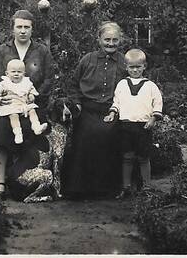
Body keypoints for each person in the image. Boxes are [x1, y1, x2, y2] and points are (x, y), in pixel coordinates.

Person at [0, 9, 55, 199]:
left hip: (32, 106)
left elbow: (49, 78)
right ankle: (0, 181)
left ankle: (21, 179)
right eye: (19, 27)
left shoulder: (42, 51)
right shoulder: (1, 51)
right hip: (7, 107)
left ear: (32, 30)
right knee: (0, 127)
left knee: (34, 130)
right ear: (13, 29)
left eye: (27, 27)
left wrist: (36, 97)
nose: (23, 31)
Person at [62, 21, 127, 198]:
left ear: (120, 40)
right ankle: (81, 188)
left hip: (113, 109)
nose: (111, 43)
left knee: (108, 134)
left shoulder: (124, 61)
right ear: (99, 39)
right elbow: (74, 85)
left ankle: (107, 189)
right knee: (85, 135)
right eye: (107, 39)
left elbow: (132, 87)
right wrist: (77, 104)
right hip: (87, 108)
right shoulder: (88, 59)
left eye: (115, 40)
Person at [104, 48, 163, 198]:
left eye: (138, 67)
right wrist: (112, 113)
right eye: (132, 67)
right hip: (125, 126)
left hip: (143, 126)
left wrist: (153, 118)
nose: (135, 70)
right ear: (126, 67)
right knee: (127, 157)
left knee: (144, 157)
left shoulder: (150, 86)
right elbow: (116, 102)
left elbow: (158, 103)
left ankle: (147, 187)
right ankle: (126, 187)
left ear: (144, 66)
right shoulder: (122, 84)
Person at [0, 59, 48, 144]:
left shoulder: (26, 83)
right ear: (7, 73)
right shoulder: (4, 83)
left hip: (24, 104)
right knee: (14, 116)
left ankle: (36, 127)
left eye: (19, 72)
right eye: (13, 72)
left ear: (24, 74)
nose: (16, 74)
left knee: (32, 110)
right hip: (11, 105)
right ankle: (18, 133)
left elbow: (31, 91)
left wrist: (31, 96)